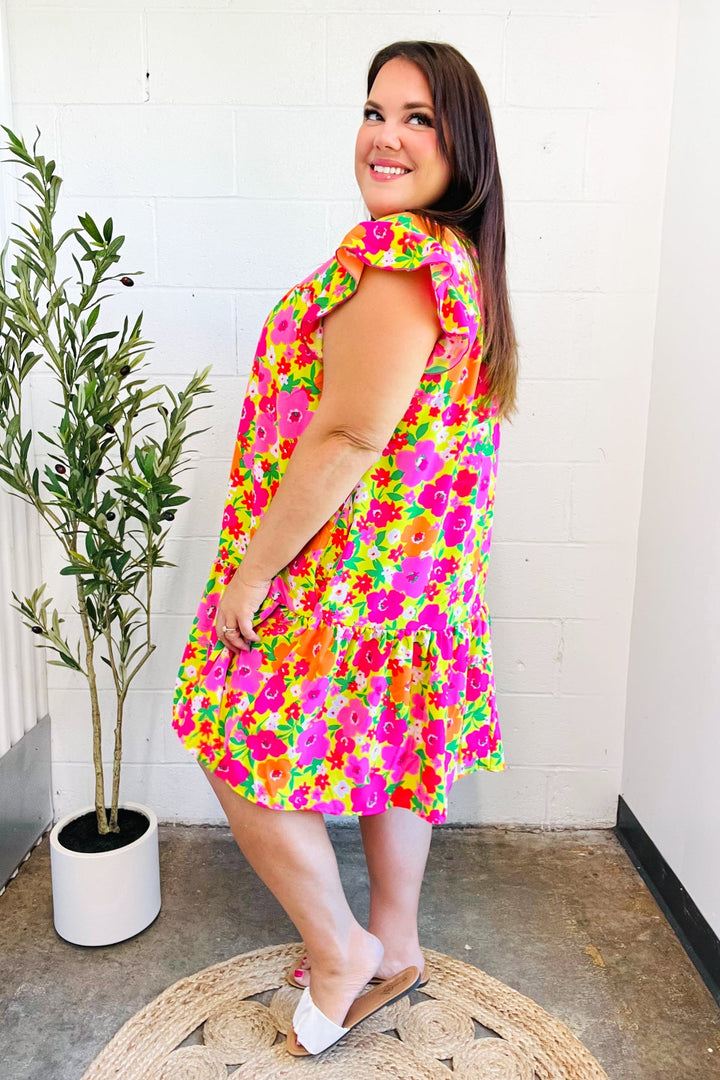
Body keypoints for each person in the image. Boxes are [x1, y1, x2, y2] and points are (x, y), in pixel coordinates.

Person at [172, 38, 518, 1055]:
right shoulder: (459, 262)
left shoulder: (401, 256)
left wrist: (255, 572)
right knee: (398, 747)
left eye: (419, 118)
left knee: (221, 721)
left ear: (463, 145)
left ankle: (339, 950)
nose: (385, 136)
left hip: (350, 574)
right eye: (375, 111)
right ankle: (394, 945)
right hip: (419, 583)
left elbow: (349, 435)